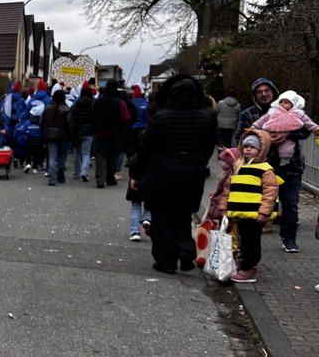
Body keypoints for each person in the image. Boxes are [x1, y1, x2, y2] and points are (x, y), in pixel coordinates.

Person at [128, 75, 217, 274]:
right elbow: (209, 146)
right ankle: (185, 248)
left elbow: (146, 149)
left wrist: (137, 174)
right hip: (192, 175)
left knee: (161, 218)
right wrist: (199, 164)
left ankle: (166, 261)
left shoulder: (161, 118)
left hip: (161, 174)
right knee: (183, 214)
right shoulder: (206, 118)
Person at [236, 77, 306, 252]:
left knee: (289, 204)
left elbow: (305, 130)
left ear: (274, 92)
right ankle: (249, 242)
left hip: (290, 166)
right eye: (259, 92)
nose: (264, 94)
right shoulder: (248, 114)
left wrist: (287, 134)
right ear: (254, 96)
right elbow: (241, 137)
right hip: (259, 169)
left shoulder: (293, 111)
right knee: (256, 205)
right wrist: (263, 139)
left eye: (267, 91)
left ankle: (289, 239)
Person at [205, 133, 279, 283]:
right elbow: (228, 191)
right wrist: (224, 208)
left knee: (251, 241)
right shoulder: (239, 167)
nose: (247, 150)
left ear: (262, 150)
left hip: (254, 214)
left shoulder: (265, 169)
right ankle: (243, 263)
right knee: (242, 241)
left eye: (252, 147)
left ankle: (249, 268)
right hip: (238, 213)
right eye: (245, 146)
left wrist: (264, 211)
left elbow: (270, 192)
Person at [252, 90, 318, 164]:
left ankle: (285, 161)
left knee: (288, 147)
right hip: (271, 132)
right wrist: (254, 126)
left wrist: (315, 128)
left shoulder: (297, 113)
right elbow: (263, 119)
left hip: (288, 135)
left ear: (293, 104)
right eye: (281, 102)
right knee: (267, 146)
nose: (282, 104)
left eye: (286, 103)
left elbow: (308, 122)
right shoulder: (273, 111)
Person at [91, 80, 131, 188]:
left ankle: (100, 179)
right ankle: (110, 178)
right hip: (114, 134)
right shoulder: (120, 102)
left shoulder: (98, 102)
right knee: (112, 156)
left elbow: (93, 116)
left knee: (100, 156)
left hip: (99, 133)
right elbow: (126, 118)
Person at [42, 89, 71, 185]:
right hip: (63, 136)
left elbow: (43, 123)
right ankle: (60, 176)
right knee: (62, 158)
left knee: (52, 157)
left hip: (50, 135)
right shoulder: (66, 109)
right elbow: (70, 124)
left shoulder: (48, 108)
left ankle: (51, 179)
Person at [68, 82, 95, 181]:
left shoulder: (76, 104)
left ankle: (76, 173)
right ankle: (84, 172)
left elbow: (70, 118)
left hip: (77, 131)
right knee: (86, 153)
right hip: (89, 132)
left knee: (77, 153)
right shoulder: (93, 104)